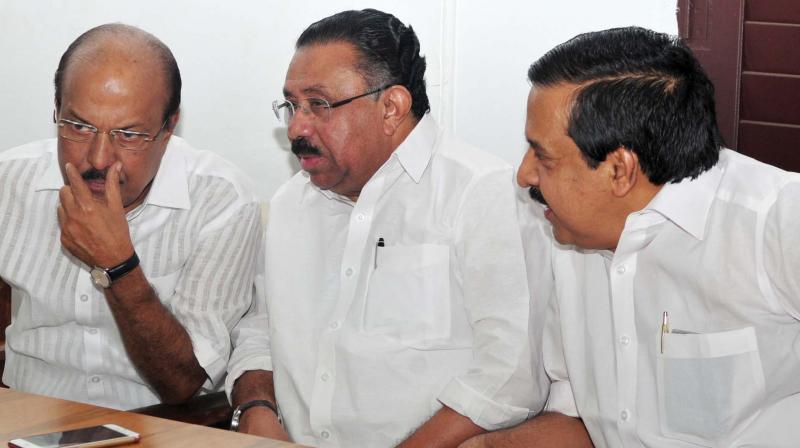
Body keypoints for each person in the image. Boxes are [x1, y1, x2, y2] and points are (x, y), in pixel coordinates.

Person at [462, 26, 800, 448]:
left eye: (542, 155)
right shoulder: (571, 240)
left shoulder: (778, 221)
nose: (524, 174)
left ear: (619, 170)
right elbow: (583, 423)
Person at [226, 8, 548, 447]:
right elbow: (260, 331)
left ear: (392, 107)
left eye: (319, 104)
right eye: (291, 105)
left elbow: (512, 374)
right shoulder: (290, 204)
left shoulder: (481, 192)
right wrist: (255, 410)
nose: (297, 128)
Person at [0, 24, 262, 410]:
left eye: (128, 134)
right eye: (78, 126)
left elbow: (182, 383)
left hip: (163, 426)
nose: (99, 158)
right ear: (55, 110)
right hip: (27, 418)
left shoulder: (222, 202)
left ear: (169, 126)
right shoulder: (9, 181)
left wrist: (119, 265)